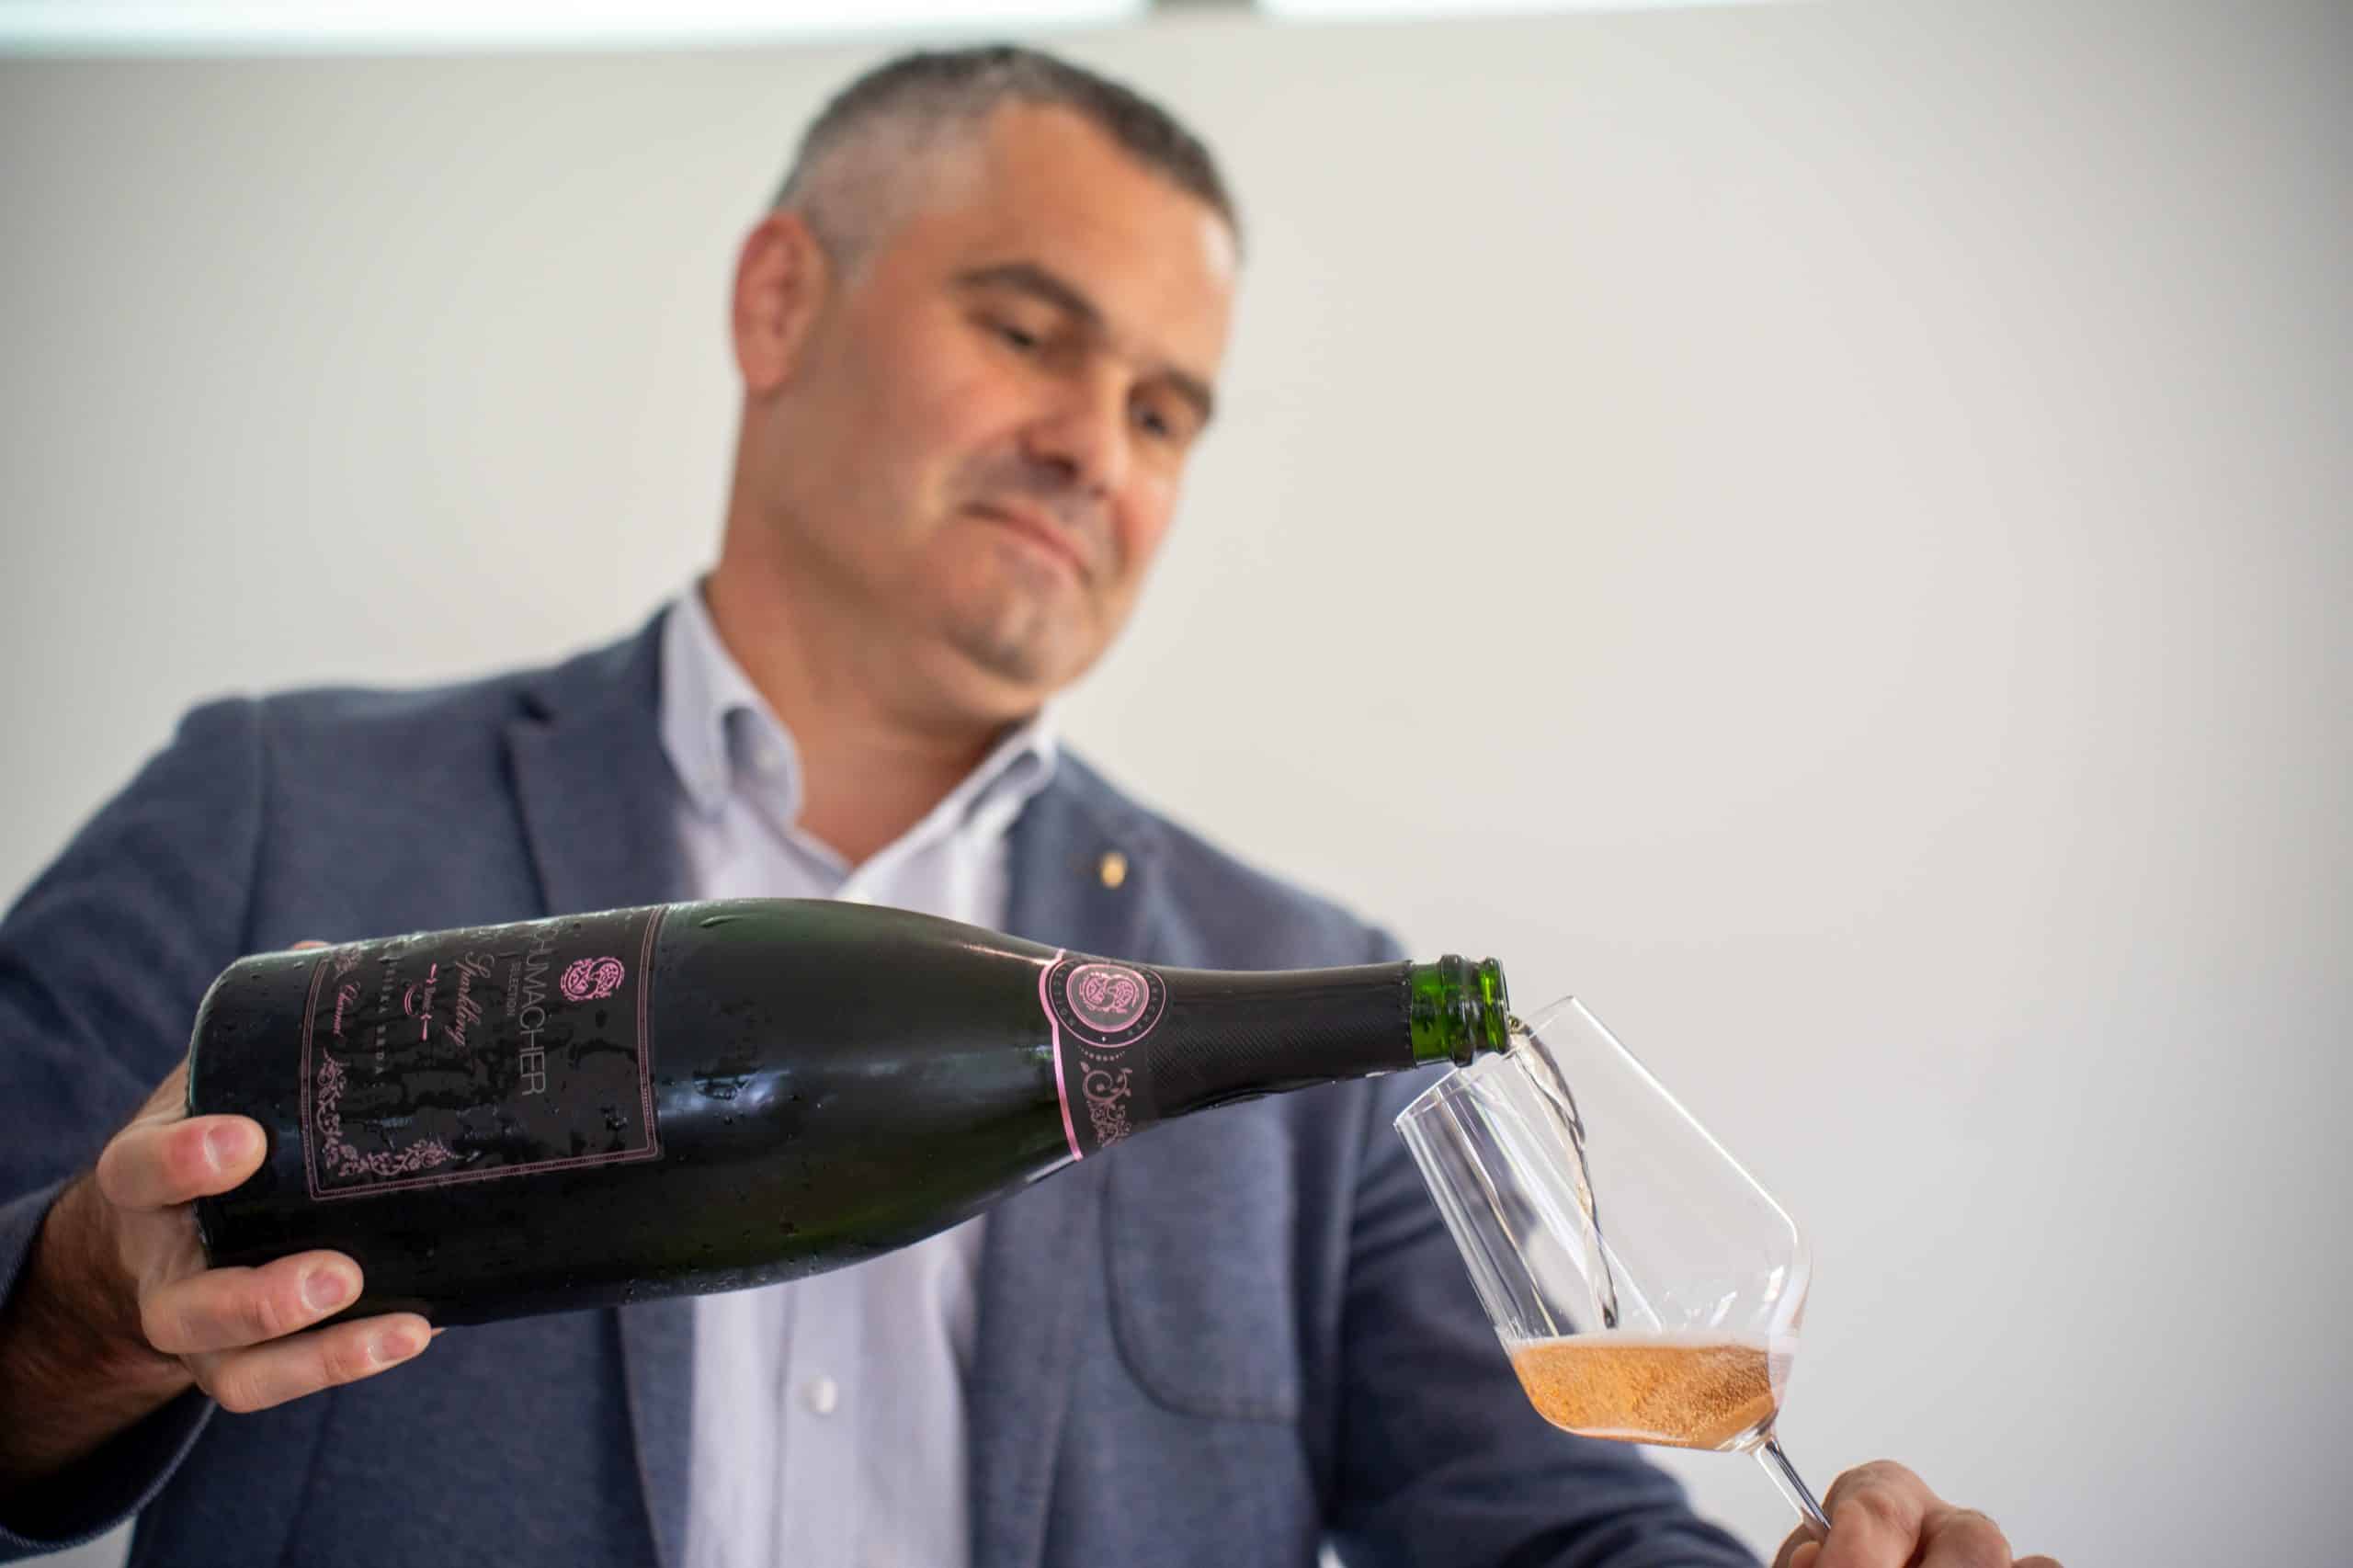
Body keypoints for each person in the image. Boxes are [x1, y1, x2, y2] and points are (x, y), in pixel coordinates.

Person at [0, 45, 2055, 1568]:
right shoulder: (277, 806)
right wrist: (96, 1299)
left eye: (1164, 410)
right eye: (1026, 333)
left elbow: (1531, 1520)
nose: (1096, 447)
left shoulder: (1304, 996)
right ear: (780, 302)